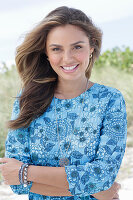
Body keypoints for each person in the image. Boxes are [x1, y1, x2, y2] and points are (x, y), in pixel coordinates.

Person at [0, 6, 127, 200]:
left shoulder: (110, 99)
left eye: (77, 47)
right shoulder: (28, 100)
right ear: (46, 52)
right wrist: (96, 189)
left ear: (91, 46)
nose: (67, 58)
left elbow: (103, 175)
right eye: (56, 49)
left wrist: (26, 172)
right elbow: (14, 182)